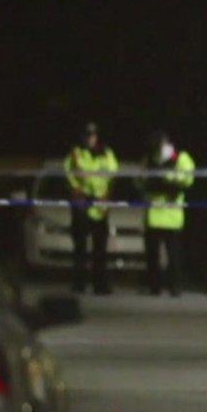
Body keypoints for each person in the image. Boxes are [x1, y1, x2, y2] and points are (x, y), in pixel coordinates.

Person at [64, 122, 118, 294]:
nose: (90, 138)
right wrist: (76, 193)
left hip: (100, 204)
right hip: (82, 203)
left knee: (100, 248)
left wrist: (107, 196)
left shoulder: (107, 154)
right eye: (87, 135)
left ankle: (100, 285)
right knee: (80, 247)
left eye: (93, 135)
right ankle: (79, 284)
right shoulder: (75, 153)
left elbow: (114, 175)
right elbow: (69, 175)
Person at [141, 131, 195, 296]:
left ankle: (175, 286)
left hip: (172, 216)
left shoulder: (180, 158)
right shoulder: (149, 159)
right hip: (153, 215)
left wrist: (168, 181)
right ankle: (155, 287)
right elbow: (140, 180)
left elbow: (188, 179)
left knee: (174, 256)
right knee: (153, 256)